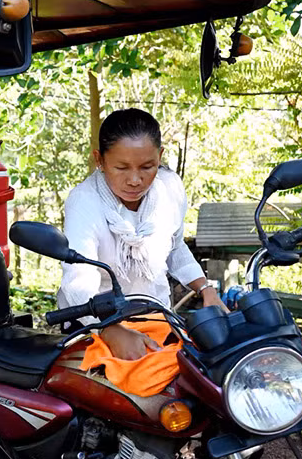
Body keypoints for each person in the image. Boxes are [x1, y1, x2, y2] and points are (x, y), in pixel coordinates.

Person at [57, 108, 227, 361]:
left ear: (160, 157)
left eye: (147, 166)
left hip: (156, 315)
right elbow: (78, 280)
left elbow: (176, 247)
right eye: (121, 168)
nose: (135, 180)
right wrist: (111, 330)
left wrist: (206, 289)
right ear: (99, 160)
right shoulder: (84, 202)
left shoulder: (169, 190)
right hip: (93, 321)